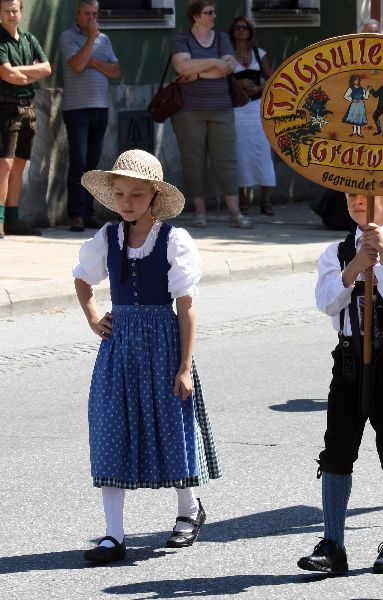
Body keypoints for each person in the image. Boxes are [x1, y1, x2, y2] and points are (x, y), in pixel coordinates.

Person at [73, 149, 221, 563]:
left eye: (136, 195)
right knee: (110, 427)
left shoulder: (174, 240)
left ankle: (188, 512)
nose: (126, 202)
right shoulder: (107, 237)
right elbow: (83, 277)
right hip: (119, 347)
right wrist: (90, 316)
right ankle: (113, 534)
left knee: (173, 423)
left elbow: (186, 306)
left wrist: (185, 366)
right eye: (119, 194)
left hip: (163, 345)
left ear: (154, 196)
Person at [298, 192, 383, 576]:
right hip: (350, 357)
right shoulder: (335, 252)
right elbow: (326, 303)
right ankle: (333, 543)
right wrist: (353, 268)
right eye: (352, 194)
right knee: (337, 446)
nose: (359, 202)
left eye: (368, 196)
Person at [171, 0, 252, 229]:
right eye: (208, 12)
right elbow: (181, 68)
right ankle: (200, 213)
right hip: (189, 110)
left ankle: (235, 213)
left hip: (222, 108)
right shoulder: (182, 39)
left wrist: (197, 74)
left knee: (226, 161)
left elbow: (228, 68)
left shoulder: (222, 39)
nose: (214, 16)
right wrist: (214, 62)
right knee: (193, 161)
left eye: (214, 12)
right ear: (196, 17)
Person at [60, 0, 121, 233]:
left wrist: (93, 62)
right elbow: (77, 66)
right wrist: (90, 39)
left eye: (95, 13)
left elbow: (116, 71)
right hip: (77, 109)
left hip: (100, 108)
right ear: (77, 15)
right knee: (78, 162)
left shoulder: (104, 39)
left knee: (92, 164)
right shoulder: (68, 37)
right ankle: (75, 214)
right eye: (87, 14)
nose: (92, 18)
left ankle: (88, 212)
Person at [0, 0, 50, 238]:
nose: (11, 14)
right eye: (6, 10)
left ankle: (12, 218)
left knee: (19, 163)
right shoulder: (0, 40)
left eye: (14, 10)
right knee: (4, 164)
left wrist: (22, 76)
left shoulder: (29, 39)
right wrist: (31, 73)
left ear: (21, 12)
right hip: (6, 108)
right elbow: (6, 73)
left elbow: (47, 68)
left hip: (28, 109)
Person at [229, 16, 275, 216]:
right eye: (237, 28)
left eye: (244, 27)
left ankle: (266, 201)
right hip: (237, 109)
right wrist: (237, 84)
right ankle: (243, 201)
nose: (241, 30)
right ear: (232, 31)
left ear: (250, 31)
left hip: (257, 108)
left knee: (263, 153)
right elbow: (223, 79)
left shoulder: (259, 53)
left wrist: (259, 86)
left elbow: (272, 78)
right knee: (241, 154)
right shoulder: (227, 56)